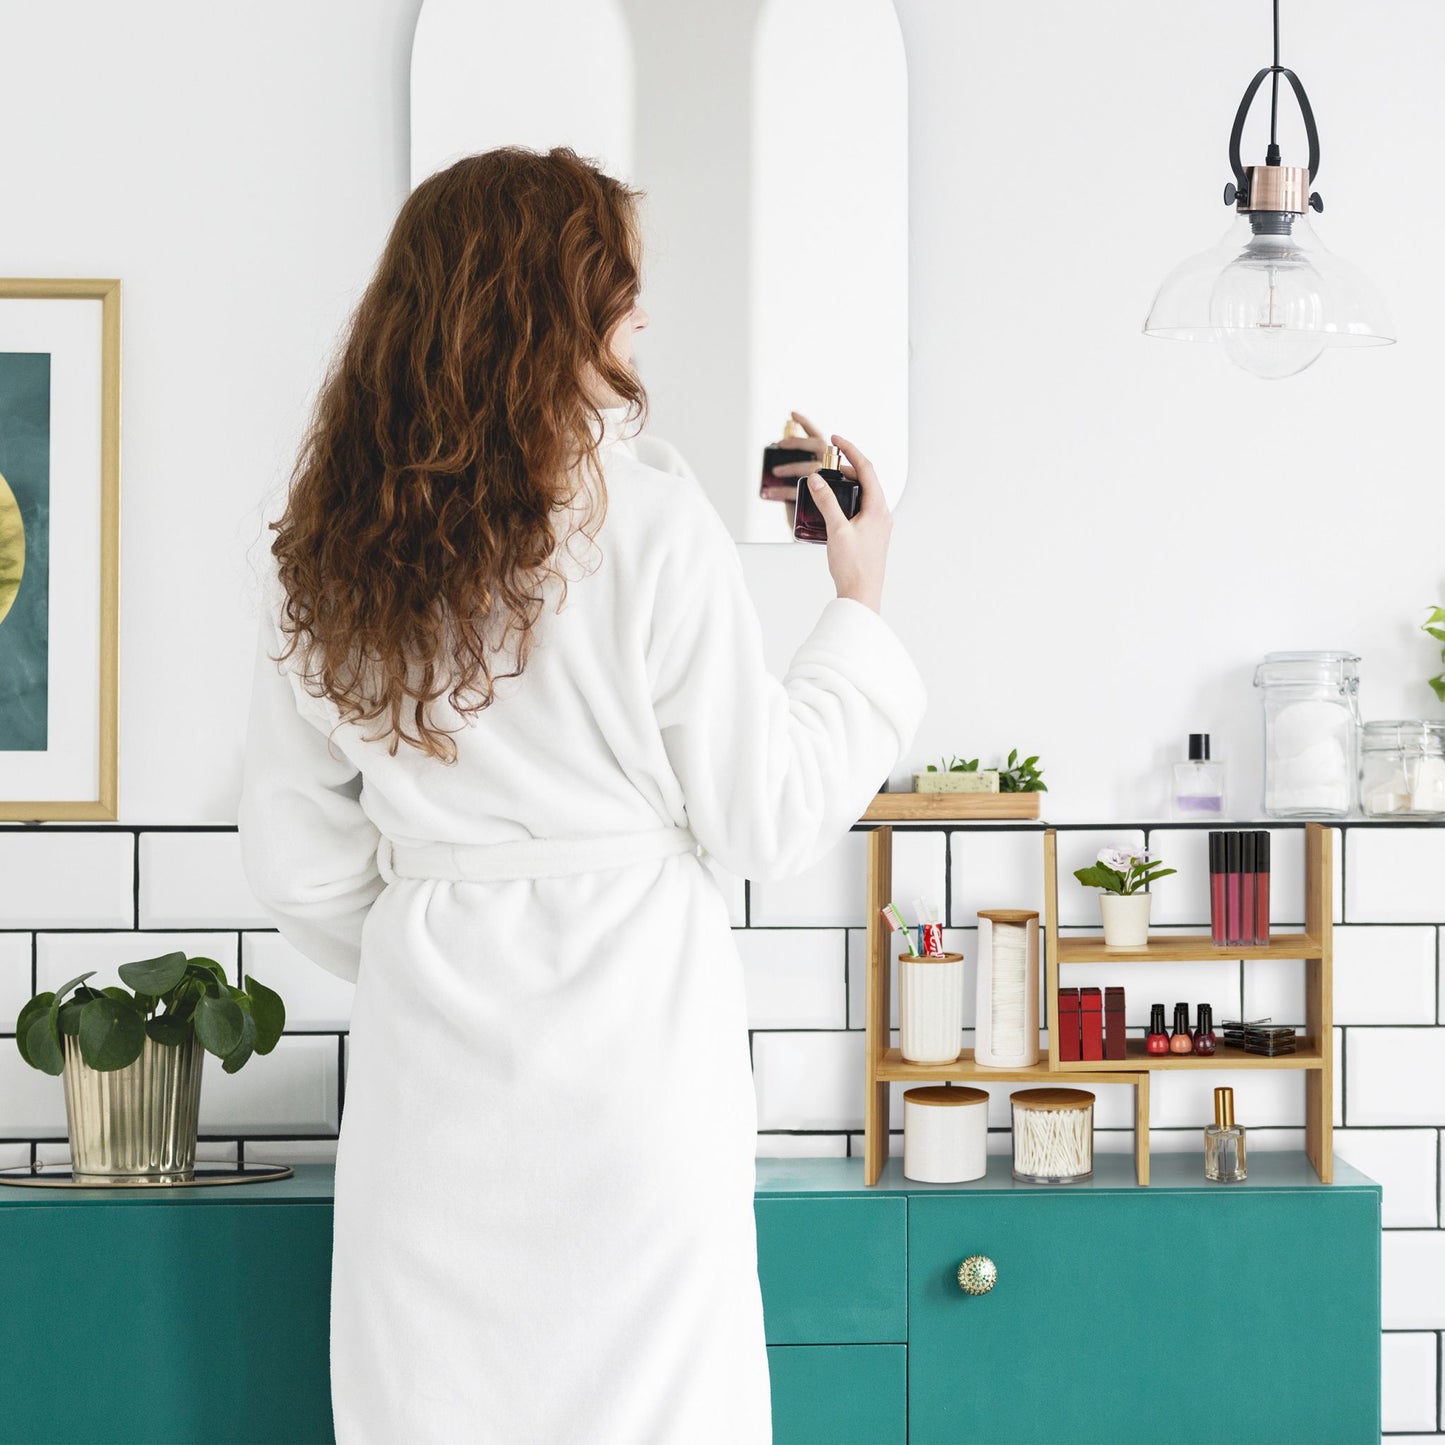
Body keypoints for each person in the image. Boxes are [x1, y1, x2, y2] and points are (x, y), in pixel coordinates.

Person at [238, 145, 925, 1445]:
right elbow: (768, 814)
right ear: (553, 309)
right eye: (620, 287)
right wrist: (858, 601)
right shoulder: (647, 524)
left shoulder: (328, 549)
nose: (642, 316)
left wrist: (433, 927)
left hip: (431, 1096)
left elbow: (295, 861)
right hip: (632, 1073)